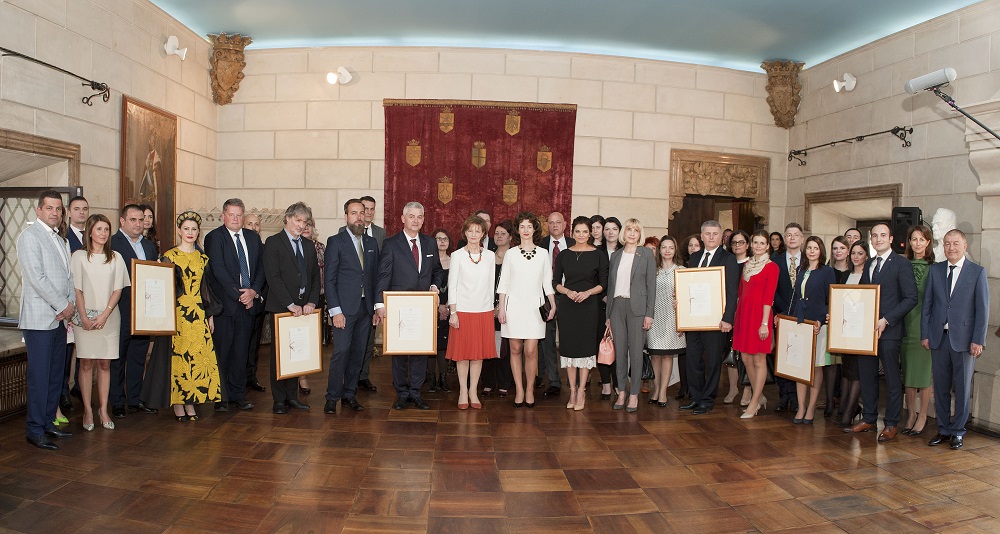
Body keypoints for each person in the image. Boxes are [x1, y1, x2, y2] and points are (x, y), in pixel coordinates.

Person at [844, 222, 917, 443]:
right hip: (867, 332)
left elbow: (910, 298)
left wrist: (887, 319)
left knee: (893, 380)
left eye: (883, 235)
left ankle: (892, 423)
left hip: (890, 330)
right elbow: (865, 296)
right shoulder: (869, 264)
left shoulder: (901, 264)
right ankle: (868, 418)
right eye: (874, 236)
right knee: (867, 376)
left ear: (891, 239)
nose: (878, 239)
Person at [18, 190, 76, 450]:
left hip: (60, 318)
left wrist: (71, 302)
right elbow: (36, 278)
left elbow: (69, 276)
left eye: (58, 209)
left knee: (55, 376)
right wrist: (63, 305)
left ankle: (48, 424)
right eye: (49, 208)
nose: (55, 212)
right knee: (40, 376)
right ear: (39, 210)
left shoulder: (62, 239)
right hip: (40, 319)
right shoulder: (29, 237)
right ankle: (34, 429)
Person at [922, 229, 988, 450]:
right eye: (947, 243)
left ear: (965, 246)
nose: (951, 247)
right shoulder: (935, 271)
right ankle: (943, 429)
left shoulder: (976, 272)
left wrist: (978, 340)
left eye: (955, 243)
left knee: (961, 389)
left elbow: (982, 310)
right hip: (939, 339)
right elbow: (927, 306)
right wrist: (926, 334)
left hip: (965, 341)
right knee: (940, 387)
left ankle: (958, 431)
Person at [376, 201, 445, 410]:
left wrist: (435, 285)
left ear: (423, 220)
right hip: (398, 307)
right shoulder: (390, 244)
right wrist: (379, 303)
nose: (416, 220)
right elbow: (384, 275)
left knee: (420, 351)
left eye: (419, 217)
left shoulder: (430, 243)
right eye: (412, 216)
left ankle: (416, 392)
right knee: (399, 352)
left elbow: (438, 271)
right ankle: (402, 393)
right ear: (403, 219)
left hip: (423, 306)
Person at [204, 198, 264, 412]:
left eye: (239, 215)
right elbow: (218, 271)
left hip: (249, 305)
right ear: (223, 216)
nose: (236, 219)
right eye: (231, 214)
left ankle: (238, 395)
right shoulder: (214, 238)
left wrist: (253, 291)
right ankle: (221, 397)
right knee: (223, 351)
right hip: (226, 306)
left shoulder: (252, 238)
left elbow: (260, 269)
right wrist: (240, 294)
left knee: (241, 351)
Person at [163, 212, 224, 420]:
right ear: (179, 231)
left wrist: (210, 316)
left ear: (198, 233)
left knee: (197, 357)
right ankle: (178, 404)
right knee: (180, 358)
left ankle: (191, 402)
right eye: (186, 229)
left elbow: (206, 289)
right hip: (178, 313)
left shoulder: (202, 258)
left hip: (198, 313)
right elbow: (164, 288)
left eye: (194, 229)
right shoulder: (169, 256)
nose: (190, 233)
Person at [70, 213, 129, 431]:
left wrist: (105, 314)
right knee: (85, 363)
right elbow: (76, 288)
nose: (103, 233)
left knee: (105, 364)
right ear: (90, 232)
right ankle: (87, 409)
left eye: (106, 229)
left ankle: (103, 409)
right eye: (99, 229)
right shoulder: (78, 256)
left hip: (109, 317)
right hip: (83, 317)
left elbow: (118, 289)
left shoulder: (115, 257)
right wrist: (84, 316)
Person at [263, 202, 320, 414]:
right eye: (297, 220)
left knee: (297, 352)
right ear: (287, 219)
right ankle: (279, 399)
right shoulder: (273, 243)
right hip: (282, 307)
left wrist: (311, 302)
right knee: (280, 354)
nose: (301, 225)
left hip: (304, 308)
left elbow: (315, 276)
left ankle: (292, 397)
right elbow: (273, 277)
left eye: (304, 222)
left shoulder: (308, 245)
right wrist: (290, 304)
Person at [323, 199, 379, 414]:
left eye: (361, 213)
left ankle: (349, 395)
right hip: (344, 310)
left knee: (358, 353)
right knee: (341, 352)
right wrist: (335, 310)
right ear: (345, 216)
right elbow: (329, 280)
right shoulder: (335, 242)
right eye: (353, 213)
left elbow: (374, 278)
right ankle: (331, 397)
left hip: (365, 309)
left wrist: (375, 308)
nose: (358, 217)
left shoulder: (372, 243)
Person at [497, 212, 556, 408]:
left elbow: (547, 282)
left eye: (529, 226)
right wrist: (501, 308)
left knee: (531, 350)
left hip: (534, 307)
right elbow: (503, 283)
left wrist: (553, 303)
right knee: (515, 349)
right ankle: (519, 390)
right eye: (522, 226)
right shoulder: (511, 254)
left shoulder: (543, 253)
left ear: (534, 230)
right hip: (513, 306)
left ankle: (530, 389)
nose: (525, 230)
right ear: (517, 230)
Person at [681, 221, 739, 415]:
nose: (711, 237)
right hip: (694, 319)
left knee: (713, 361)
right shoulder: (695, 257)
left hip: (716, 320)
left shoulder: (728, 259)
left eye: (715, 234)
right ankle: (696, 397)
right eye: (708, 234)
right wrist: (681, 305)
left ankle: (707, 399)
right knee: (693, 359)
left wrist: (728, 319)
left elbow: (732, 292)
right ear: (702, 236)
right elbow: (689, 286)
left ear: (721, 236)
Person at [554, 216, 608, 411]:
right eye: (578, 231)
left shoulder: (599, 255)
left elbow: (604, 283)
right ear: (572, 232)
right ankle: (573, 390)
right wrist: (568, 291)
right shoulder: (564, 255)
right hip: (568, 306)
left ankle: (582, 390)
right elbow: (555, 283)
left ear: (590, 233)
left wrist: (587, 293)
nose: (582, 235)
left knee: (585, 348)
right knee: (568, 348)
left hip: (589, 306)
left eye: (585, 232)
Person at [110, 204, 159, 418]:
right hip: (119, 309)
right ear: (122, 221)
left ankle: (136, 399)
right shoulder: (112, 243)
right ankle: (117, 401)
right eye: (133, 220)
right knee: (118, 358)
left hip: (143, 311)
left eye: (141, 220)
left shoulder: (149, 246)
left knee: (139, 357)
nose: (138, 224)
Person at [446, 215, 498, 409]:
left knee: (477, 355)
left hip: (483, 311)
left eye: (478, 231)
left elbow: (492, 285)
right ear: (465, 233)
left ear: (484, 233)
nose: (474, 234)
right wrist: (453, 312)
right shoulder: (457, 255)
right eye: (470, 231)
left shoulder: (490, 256)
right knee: (462, 355)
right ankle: (462, 391)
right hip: (462, 311)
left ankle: (473, 391)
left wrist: (492, 308)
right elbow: (452, 285)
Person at [606, 218, 656, 413]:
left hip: (637, 309)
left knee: (636, 353)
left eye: (636, 230)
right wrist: (608, 315)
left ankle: (634, 393)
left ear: (640, 233)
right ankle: (621, 392)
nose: (632, 233)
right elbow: (611, 287)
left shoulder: (646, 254)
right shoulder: (616, 256)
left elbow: (651, 286)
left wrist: (649, 313)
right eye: (629, 229)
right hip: (617, 306)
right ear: (623, 233)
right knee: (619, 352)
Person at [789, 236, 836, 424]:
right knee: (800, 367)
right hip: (799, 323)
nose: (812, 251)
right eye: (809, 247)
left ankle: (811, 408)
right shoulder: (801, 270)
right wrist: (786, 317)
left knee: (815, 367)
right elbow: (795, 297)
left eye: (815, 248)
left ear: (821, 251)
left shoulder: (827, 272)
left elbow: (829, 299)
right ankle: (801, 406)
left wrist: (820, 319)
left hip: (817, 325)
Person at [731, 231, 777, 419]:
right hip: (744, 315)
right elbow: (741, 293)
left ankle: (754, 402)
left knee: (759, 359)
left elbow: (769, 297)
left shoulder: (771, 267)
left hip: (760, 316)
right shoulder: (748, 265)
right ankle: (759, 396)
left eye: (762, 243)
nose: (758, 246)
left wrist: (765, 323)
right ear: (751, 244)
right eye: (755, 242)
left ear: (768, 246)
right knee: (745, 359)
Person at [901, 225, 935, 435]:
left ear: (928, 242)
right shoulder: (902, 265)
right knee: (908, 374)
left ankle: (922, 415)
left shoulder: (936, 268)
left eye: (922, 239)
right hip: (904, 325)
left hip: (924, 327)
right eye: (914, 239)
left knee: (923, 375)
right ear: (909, 242)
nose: (918, 243)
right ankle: (911, 413)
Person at [646, 235, 684, 407]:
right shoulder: (652, 270)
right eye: (664, 247)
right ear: (659, 250)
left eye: (671, 247)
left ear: (675, 250)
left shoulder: (681, 270)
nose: (667, 251)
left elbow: (687, 298)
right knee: (655, 354)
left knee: (668, 355)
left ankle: (663, 392)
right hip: (654, 317)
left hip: (672, 318)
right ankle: (656, 388)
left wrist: (683, 321)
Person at [837, 241, 870, 428]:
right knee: (847, 370)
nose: (856, 257)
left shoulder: (869, 276)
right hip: (846, 329)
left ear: (866, 256)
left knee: (857, 372)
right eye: (854, 253)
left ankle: (849, 411)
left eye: (860, 253)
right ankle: (846, 407)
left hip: (862, 330)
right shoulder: (846, 276)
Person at [539, 211, 573, 398]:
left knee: (569, 340)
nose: (554, 226)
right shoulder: (541, 245)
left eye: (558, 222)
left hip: (569, 297)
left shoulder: (574, 244)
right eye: (550, 223)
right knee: (548, 340)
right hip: (546, 298)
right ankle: (553, 381)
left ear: (565, 224)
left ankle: (573, 378)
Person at [772, 223, 804, 413]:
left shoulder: (810, 261)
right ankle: (784, 395)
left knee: (799, 356)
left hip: (802, 317)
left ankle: (797, 398)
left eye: (796, 235)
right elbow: (772, 290)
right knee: (782, 356)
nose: (792, 238)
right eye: (789, 235)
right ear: (784, 239)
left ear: (801, 238)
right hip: (781, 315)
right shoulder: (775, 262)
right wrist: (782, 311)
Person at [355, 195, 387, 393]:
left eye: (371, 209)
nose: (368, 212)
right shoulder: (344, 232)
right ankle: (351, 375)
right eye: (364, 208)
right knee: (351, 342)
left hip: (372, 296)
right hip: (352, 296)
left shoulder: (381, 233)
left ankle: (363, 376)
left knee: (368, 339)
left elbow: (383, 267)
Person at [61, 196, 89, 412]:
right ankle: (63, 392)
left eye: (84, 209)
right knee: (67, 351)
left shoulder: (93, 236)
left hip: (91, 301)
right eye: (77, 209)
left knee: (86, 348)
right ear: (69, 213)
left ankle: (80, 386)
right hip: (71, 300)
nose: (81, 212)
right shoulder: (63, 237)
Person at [481, 220, 514, 398]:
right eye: (497, 233)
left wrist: (500, 306)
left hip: (508, 309)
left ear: (510, 236)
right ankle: (488, 382)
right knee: (488, 345)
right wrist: (489, 306)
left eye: (503, 233)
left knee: (505, 349)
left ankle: (504, 383)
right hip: (486, 308)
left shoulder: (515, 256)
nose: (499, 236)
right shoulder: (487, 257)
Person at [295, 219, 325, 395]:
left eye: (309, 225)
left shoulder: (320, 247)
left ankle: (304, 374)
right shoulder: (293, 245)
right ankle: (299, 377)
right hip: (296, 301)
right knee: (296, 340)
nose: (306, 228)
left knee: (310, 341)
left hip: (316, 298)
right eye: (303, 224)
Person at [242, 213, 268, 393]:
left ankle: (251, 377)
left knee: (253, 346)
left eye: (257, 224)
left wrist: (259, 295)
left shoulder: (265, 248)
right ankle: (237, 380)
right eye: (249, 223)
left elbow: (267, 275)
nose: (253, 227)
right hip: (240, 303)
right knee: (240, 346)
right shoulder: (237, 246)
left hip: (258, 304)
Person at [597, 216, 622, 398]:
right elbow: (592, 278)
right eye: (607, 229)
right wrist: (603, 296)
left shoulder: (626, 252)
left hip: (621, 306)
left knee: (619, 346)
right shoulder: (596, 251)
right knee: (604, 344)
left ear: (619, 231)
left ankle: (619, 384)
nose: (611, 232)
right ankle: (606, 384)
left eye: (614, 228)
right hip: (600, 306)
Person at [725, 230, 750, 405]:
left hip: (747, 313)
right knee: (731, 352)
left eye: (740, 242)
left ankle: (748, 390)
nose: (737, 246)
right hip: (730, 312)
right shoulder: (727, 262)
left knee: (747, 354)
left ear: (747, 245)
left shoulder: (752, 264)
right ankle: (733, 388)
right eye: (734, 243)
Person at [428, 228, 453, 393]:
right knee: (430, 344)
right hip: (430, 307)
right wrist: (437, 306)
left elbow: (457, 286)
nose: (442, 241)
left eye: (445, 238)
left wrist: (448, 305)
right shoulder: (428, 261)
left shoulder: (455, 261)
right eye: (438, 238)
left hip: (451, 308)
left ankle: (444, 379)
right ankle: (431, 379)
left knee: (444, 345)